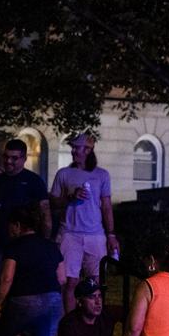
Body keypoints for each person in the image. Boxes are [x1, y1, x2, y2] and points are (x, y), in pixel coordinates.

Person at [0, 206, 65, 336]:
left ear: (17, 226)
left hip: (24, 300)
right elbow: (63, 277)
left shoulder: (14, 247)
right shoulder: (50, 246)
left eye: (10, 226)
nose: (8, 230)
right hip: (53, 300)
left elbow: (6, 278)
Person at [0, 139, 50, 325]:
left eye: (14, 158)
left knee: (26, 292)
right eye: (6, 157)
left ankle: (25, 335)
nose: (9, 162)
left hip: (25, 249)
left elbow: (45, 212)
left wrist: (45, 241)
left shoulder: (33, 182)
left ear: (24, 158)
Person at [49, 133, 119, 312]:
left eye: (76, 148)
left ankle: (92, 321)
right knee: (70, 281)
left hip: (95, 235)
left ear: (88, 150)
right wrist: (70, 197)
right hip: (70, 234)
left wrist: (111, 235)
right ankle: (71, 323)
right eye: (72, 147)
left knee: (95, 281)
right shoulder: (63, 174)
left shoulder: (102, 175)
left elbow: (106, 206)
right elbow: (54, 202)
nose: (73, 151)